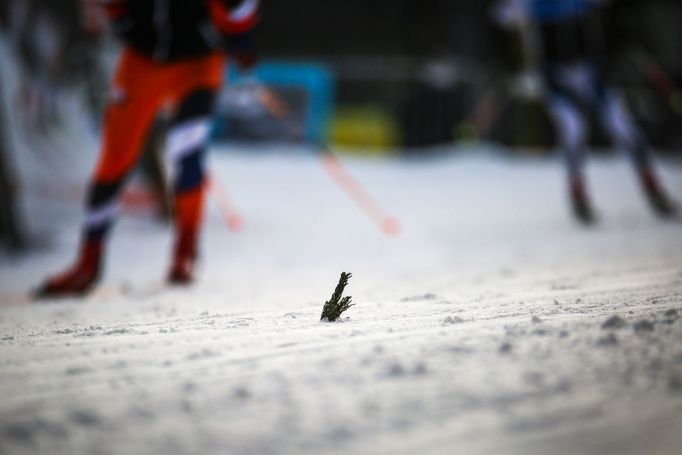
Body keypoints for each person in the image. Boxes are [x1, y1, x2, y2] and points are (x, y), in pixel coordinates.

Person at [35, 0, 260, 298]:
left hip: (198, 64)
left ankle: (185, 253)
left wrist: (239, 37)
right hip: (142, 62)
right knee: (115, 159)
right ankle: (88, 262)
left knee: (186, 151)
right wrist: (125, 24)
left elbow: (240, 7)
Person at [527, 0, 675, 223]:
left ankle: (651, 186)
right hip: (557, 75)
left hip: (593, 70)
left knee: (621, 125)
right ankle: (578, 194)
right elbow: (503, 17)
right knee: (573, 128)